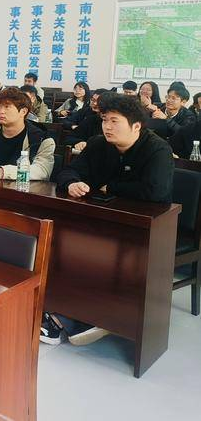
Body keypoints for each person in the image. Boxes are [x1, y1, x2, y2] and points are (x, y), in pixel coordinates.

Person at [51, 93, 174, 347]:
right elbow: (67, 171)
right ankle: (70, 311)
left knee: (97, 250)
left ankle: (95, 315)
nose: (107, 126)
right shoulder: (98, 143)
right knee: (65, 240)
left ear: (136, 126)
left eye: (114, 121)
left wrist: (111, 187)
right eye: (105, 120)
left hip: (143, 227)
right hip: (101, 218)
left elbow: (156, 191)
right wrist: (72, 183)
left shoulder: (158, 149)